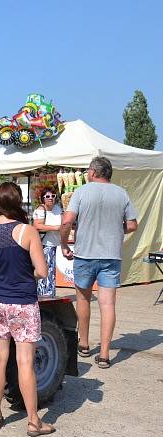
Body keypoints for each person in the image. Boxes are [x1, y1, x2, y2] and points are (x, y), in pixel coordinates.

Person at [0, 182, 54, 436]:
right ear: (18, 203)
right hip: (23, 303)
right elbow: (42, 271)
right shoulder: (28, 231)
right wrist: (23, 273)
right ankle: (33, 421)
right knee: (25, 362)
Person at [59, 157, 138, 369]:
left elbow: (67, 221)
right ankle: (104, 354)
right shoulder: (121, 193)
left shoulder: (82, 192)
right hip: (111, 255)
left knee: (83, 300)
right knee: (108, 304)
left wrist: (64, 243)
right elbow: (132, 225)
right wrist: (115, 229)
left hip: (85, 254)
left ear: (93, 172)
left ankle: (83, 344)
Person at [32, 185, 62, 298]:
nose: (51, 198)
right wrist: (55, 228)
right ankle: (43, 296)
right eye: (47, 196)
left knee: (51, 272)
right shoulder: (40, 210)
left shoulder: (58, 209)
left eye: (53, 196)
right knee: (45, 271)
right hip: (44, 245)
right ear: (43, 198)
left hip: (55, 245)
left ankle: (50, 295)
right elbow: (37, 226)